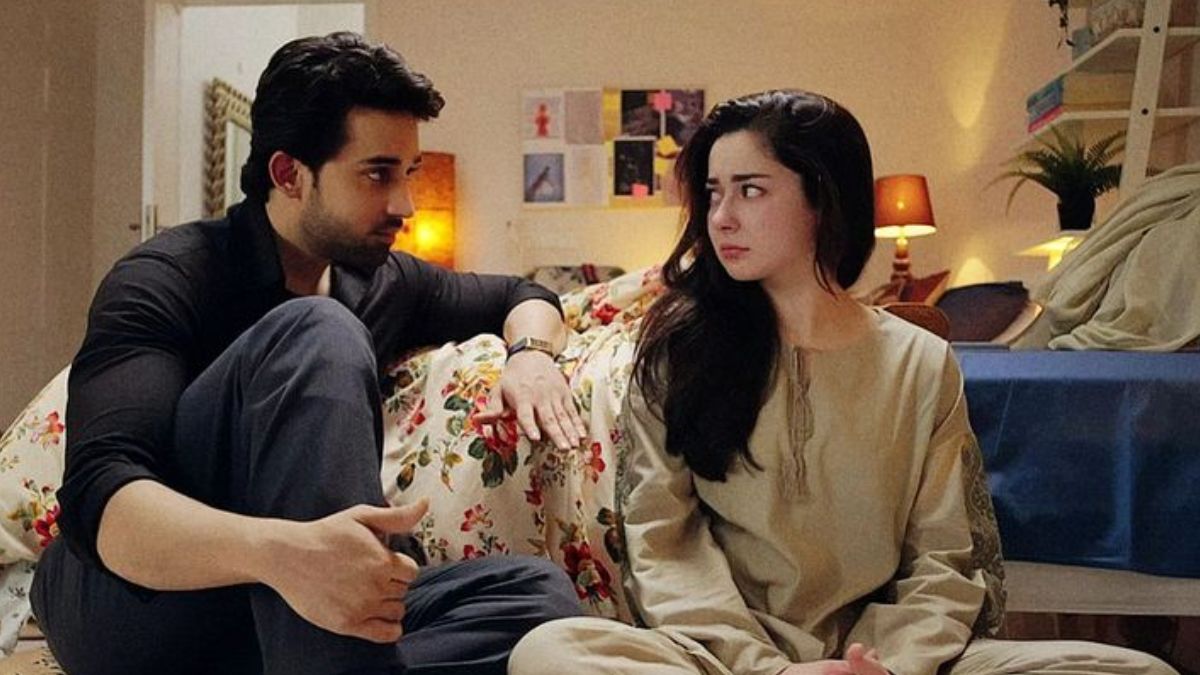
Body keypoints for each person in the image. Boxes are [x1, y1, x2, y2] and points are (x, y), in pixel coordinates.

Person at [508, 90, 1177, 675]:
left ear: (822, 201)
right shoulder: (679, 353)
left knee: (1135, 669)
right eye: (713, 193)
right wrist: (769, 668)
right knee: (551, 652)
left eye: (750, 189)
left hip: (886, 659)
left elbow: (945, 562)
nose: (721, 217)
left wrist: (884, 665)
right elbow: (664, 547)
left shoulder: (921, 362)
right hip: (722, 660)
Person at [32, 32, 584, 675]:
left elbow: (523, 293)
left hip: (276, 618)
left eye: (408, 174)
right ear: (288, 174)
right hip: (133, 600)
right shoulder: (167, 275)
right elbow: (107, 510)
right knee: (318, 331)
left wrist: (532, 355)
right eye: (377, 174)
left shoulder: (379, 280)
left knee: (538, 600)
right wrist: (284, 554)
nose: (405, 205)